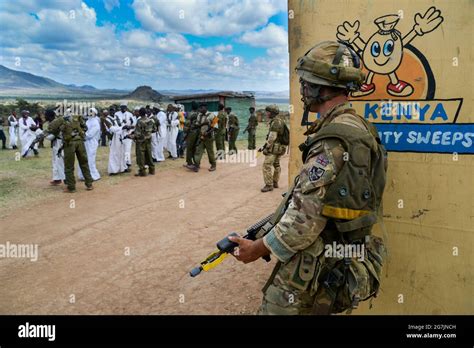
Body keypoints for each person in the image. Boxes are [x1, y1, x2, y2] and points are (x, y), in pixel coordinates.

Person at [228, 41, 387, 315]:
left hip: (318, 265)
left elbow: (303, 223)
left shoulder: (333, 141)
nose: (302, 89)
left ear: (318, 88)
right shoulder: (358, 128)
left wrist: (257, 248)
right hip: (341, 257)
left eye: (306, 83)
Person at [46, 109, 93, 192]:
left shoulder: (61, 119)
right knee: (84, 163)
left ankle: (71, 187)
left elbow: (50, 128)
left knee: (69, 166)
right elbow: (85, 128)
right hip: (80, 142)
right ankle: (89, 184)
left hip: (69, 143)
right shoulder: (78, 118)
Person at [259, 105, 286, 192]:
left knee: (266, 165)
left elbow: (272, 137)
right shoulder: (281, 120)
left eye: (268, 112)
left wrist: (267, 147)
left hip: (274, 147)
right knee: (277, 165)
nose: (266, 113)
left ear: (272, 113)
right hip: (281, 147)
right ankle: (275, 182)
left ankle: (269, 185)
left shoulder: (275, 122)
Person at [189, 103, 217, 172]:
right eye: (199, 108)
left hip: (209, 137)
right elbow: (198, 125)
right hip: (201, 136)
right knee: (198, 151)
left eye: (201, 108)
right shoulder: (199, 115)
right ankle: (196, 165)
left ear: (205, 108)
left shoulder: (212, 115)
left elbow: (215, 127)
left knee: (210, 152)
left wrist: (207, 133)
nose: (200, 109)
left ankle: (213, 165)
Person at [130, 107, 155, 176]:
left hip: (141, 141)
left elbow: (137, 133)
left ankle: (142, 171)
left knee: (141, 156)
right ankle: (152, 170)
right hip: (148, 139)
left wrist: (131, 136)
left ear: (140, 113)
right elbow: (154, 129)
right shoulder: (151, 120)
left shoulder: (140, 121)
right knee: (149, 155)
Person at [43, 109, 65, 186]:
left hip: (60, 143)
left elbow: (50, 137)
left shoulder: (56, 123)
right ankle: (57, 178)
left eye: (45, 115)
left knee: (60, 162)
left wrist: (38, 131)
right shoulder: (52, 122)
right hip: (56, 143)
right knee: (55, 161)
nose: (44, 116)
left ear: (49, 116)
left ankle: (66, 181)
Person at [78, 108, 101, 181]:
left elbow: (90, 134)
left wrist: (81, 135)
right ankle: (83, 175)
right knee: (83, 159)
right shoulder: (87, 121)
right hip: (85, 142)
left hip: (91, 143)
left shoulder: (95, 122)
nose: (90, 113)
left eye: (92, 112)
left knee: (90, 159)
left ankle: (93, 175)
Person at [105, 107, 127, 175]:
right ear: (109, 111)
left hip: (119, 136)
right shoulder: (107, 119)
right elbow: (111, 129)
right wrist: (122, 128)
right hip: (113, 138)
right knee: (114, 154)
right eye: (111, 110)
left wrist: (123, 125)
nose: (112, 112)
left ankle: (122, 168)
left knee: (121, 152)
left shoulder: (116, 117)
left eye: (113, 110)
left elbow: (120, 125)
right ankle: (113, 170)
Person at [115, 102, 136, 168]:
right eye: (122, 107)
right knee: (120, 150)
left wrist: (129, 128)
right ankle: (120, 164)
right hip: (119, 134)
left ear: (126, 108)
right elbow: (115, 124)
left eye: (125, 107)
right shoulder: (116, 114)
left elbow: (134, 124)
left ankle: (127, 163)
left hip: (128, 134)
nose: (123, 108)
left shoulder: (130, 114)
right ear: (120, 107)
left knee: (127, 150)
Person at [184, 101, 199, 169]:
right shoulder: (199, 113)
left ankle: (190, 163)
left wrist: (185, 133)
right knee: (195, 148)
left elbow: (187, 124)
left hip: (191, 132)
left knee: (189, 148)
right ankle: (196, 162)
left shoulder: (191, 114)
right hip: (197, 132)